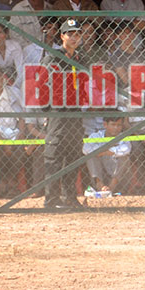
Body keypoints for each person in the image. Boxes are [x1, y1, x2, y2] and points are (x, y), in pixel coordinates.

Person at [42, 19, 89, 209]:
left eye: (77, 34)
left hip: (75, 112)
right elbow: (43, 85)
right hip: (58, 112)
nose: (74, 38)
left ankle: (69, 196)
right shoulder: (53, 57)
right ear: (62, 36)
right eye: (70, 34)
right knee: (54, 154)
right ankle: (51, 199)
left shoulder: (80, 58)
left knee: (73, 154)